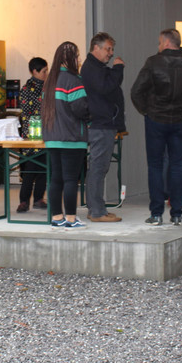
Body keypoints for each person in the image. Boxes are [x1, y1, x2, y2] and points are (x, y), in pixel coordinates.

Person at [130, 28, 182, 226]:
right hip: (179, 121)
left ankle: (157, 213)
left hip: (155, 120)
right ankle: (177, 213)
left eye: (159, 42)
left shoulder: (153, 63)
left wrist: (147, 111)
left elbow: (136, 91)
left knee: (155, 166)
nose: (158, 46)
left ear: (166, 43)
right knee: (177, 166)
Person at [41, 41, 90, 229]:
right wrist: (91, 114)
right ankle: (71, 219)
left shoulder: (49, 82)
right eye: (77, 56)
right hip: (71, 138)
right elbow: (80, 109)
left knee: (56, 178)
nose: (79, 60)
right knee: (70, 179)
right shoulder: (73, 80)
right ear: (69, 58)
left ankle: (57, 217)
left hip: (52, 138)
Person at [80, 32, 125, 223]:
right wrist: (118, 69)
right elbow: (106, 87)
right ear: (96, 48)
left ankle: (97, 208)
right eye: (108, 49)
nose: (111, 53)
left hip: (104, 123)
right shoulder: (92, 68)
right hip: (100, 125)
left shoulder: (96, 67)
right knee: (98, 168)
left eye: (112, 49)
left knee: (99, 168)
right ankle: (97, 211)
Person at [16, 56, 49, 213]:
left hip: (46, 133)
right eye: (44, 71)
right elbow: (27, 114)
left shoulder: (48, 87)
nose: (46, 74)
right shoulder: (26, 89)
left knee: (44, 167)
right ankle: (24, 201)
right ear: (34, 71)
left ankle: (38, 198)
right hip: (31, 135)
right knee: (29, 169)